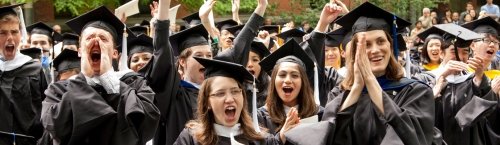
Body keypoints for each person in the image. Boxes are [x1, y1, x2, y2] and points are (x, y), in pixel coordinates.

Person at [285, 2, 435, 145]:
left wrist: (370, 81)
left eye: (381, 41)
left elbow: (413, 137)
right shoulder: (339, 93)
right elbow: (329, 137)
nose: (375, 50)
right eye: (366, 45)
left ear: (390, 45)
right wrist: (356, 88)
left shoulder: (416, 92)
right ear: (355, 52)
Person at [40, 6, 160, 145]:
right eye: (89, 38)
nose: (95, 43)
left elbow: (147, 127)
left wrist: (108, 79)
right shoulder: (58, 90)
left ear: (115, 53)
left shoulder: (135, 84)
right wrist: (83, 79)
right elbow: (55, 128)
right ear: (80, 51)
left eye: (103, 39)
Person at [414, 24, 494, 145]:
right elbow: (415, 109)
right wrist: (442, 76)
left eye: (465, 52)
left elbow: (488, 113)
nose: (460, 57)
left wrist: (479, 77)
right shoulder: (425, 78)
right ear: (441, 54)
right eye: (453, 51)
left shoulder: (473, 81)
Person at [173, 58, 279, 145]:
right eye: (220, 93)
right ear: (207, 102)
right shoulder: (191, 139)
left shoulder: (261, 140)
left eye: (235, 91)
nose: (229, 99)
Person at [0, 4, 47, 145]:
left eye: (14, 32)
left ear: (21, 34)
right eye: (2, 32)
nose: (10, 38)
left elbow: (46, 111)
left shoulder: (34, 69)